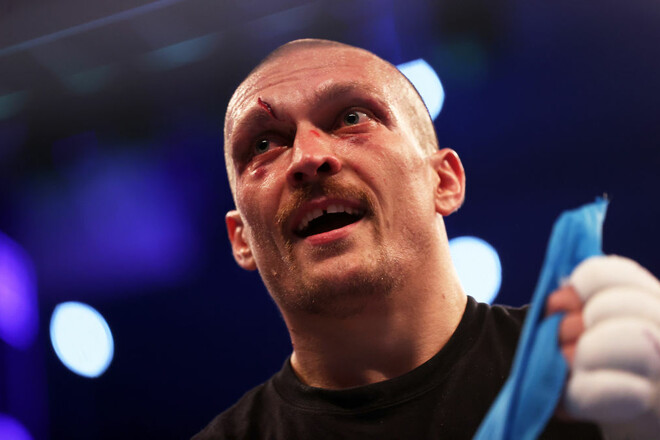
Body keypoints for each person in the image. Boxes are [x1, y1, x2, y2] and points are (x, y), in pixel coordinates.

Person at [193, 39, 660, 439]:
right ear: (241, 239)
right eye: (263, 145)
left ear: (444, 181)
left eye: (352, 117)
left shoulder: (583, 376)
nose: (308, 157)